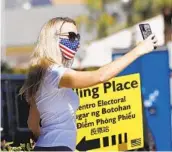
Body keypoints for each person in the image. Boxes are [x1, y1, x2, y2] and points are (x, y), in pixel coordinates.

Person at [19, 17, 158, 151]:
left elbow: (32, 123)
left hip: (46, 146)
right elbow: (100, 76)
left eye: (78, 37)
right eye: (71, 36)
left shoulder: (42, 74)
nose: (77, 43)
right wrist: (138, 51)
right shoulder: (56, 73)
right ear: (52, 38)